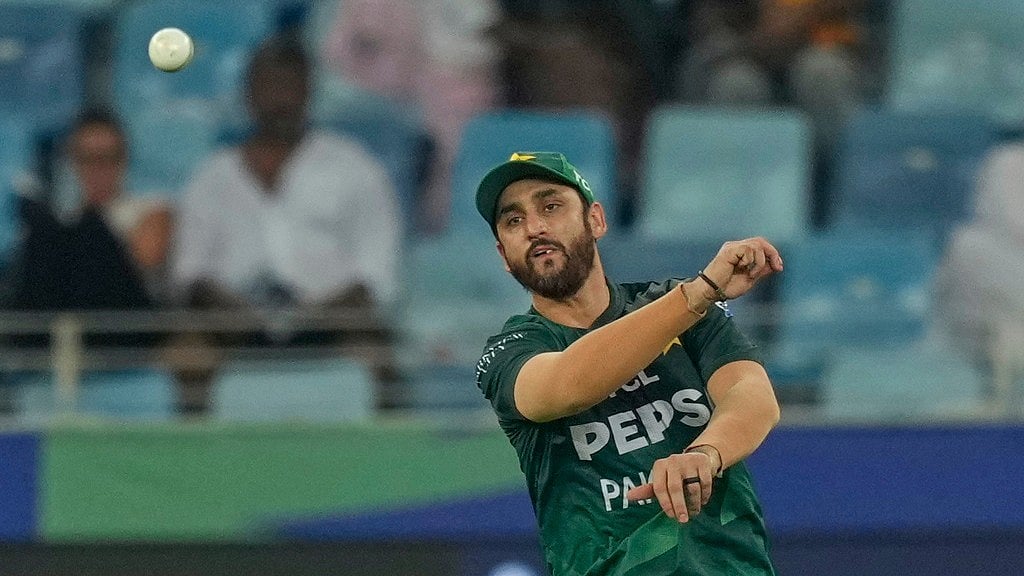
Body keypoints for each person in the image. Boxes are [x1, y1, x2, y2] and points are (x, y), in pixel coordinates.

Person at [473, 151, 782, 575]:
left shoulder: (679, 306)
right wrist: (698, 294)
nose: (535, 227)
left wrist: (707, 453)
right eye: (513, 221)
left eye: (551, 206)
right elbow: (566, 386)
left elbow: (752, 396)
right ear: (504, 257)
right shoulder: (510, 350)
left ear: (596, 220)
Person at [168, 34, 402, 413]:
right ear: (248, 93)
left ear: (308, 90)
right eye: (267, 85)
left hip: (330, 322)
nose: (279, 99)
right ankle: (199, 468)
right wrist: (246, 318)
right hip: (235, 325)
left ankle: (378, 466)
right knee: (185, 354)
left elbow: (375, 278)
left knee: (380, 357)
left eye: (289, 85)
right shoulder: (211, 177)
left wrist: (307, 319)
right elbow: (190, 276)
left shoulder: (355, 169)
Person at [11, 107, 172, 314]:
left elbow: (148, 255)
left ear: (125, 158)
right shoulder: (58, 223)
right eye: (87, 158)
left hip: (121, 321)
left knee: (88, 231)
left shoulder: (150, 208)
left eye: (109, 157)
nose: (98, 169)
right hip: (60, 315)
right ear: (71, 162)